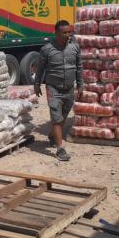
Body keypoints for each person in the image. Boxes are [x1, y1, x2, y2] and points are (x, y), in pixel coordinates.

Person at [33, 20, 83, 161]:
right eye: (64, 32)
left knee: (63, 116)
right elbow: (40, 67)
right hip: (53, 88)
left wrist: (80, 85)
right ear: (56, 33)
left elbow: (79, 67)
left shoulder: (75, 48)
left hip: (69, 88)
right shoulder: (47, 49)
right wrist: (37, 84)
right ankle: (60, 149)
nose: (67, 35)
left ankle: (53, 135)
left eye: (69, 32)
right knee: (56, 116)